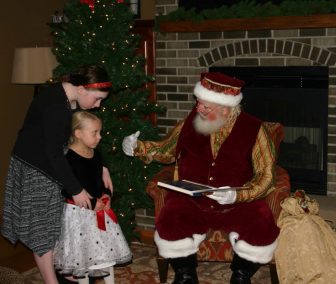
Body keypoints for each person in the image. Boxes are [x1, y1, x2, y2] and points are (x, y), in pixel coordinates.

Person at [122, 72, 280, 284]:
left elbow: (267, 175)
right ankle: (185, 274)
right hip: (191, 199)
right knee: (170, 218)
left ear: (226, 108)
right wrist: (137, 147)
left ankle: (241, 275)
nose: (198, 109)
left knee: (262, 224)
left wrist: (238, 195)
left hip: (236, 201)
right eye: (198, 103)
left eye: (206, 106)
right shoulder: (190, 122)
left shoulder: (255, 129)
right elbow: (167, 149)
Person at [1, 65, 113, 284]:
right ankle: (51, 281)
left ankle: (64, 271)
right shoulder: (54, 104)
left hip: (52, 166)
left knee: (56, 224)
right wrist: (76, 189)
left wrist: (102, 165)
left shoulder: (69, 99)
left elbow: (77, 142)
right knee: (41, 231)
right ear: (82, 88)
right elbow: (53, 152)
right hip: (36, 169)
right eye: (97, 99)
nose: (98, 105)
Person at [54, 111, 132, 284]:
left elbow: (101, 181)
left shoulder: (95, 154)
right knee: (84, 256)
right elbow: (67, 189)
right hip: (78, 215)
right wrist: (90, 203)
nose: (100, 137)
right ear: (78, 133)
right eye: (95, 133)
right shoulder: (68, 158)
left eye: (100, 132)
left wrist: (106, 195)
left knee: (105, 252)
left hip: (99, 212)